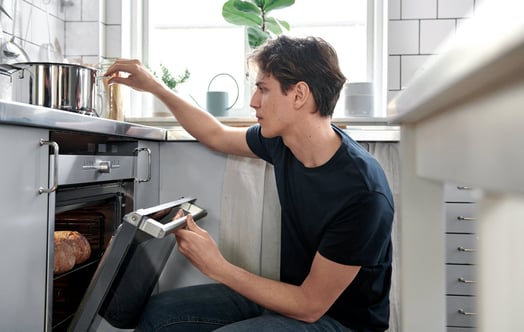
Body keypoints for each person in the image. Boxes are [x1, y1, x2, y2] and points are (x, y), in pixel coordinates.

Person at [105, 35, 394, 332]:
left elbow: (309, 306)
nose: (253, 101)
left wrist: (218, 267)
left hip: (340, 322)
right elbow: (215, 134)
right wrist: (154, 86)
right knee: (158, 315)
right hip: (290, 298)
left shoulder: (362, 192)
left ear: (299, 95)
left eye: (263, 90)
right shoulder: (283, 143)